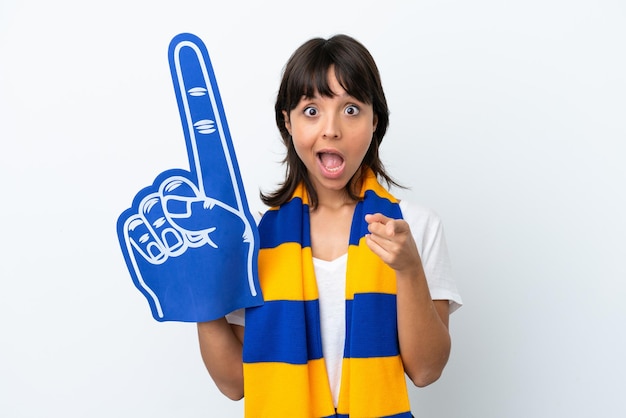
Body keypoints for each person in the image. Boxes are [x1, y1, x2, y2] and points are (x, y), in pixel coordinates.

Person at [196, 34, 462, 417]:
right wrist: (199, 296)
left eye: (351, 109)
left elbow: (426, 370)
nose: (331, 129)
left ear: (375, 121)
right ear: (287, 122)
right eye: (310, 110)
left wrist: (408, 270)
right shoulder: (252, 240)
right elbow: (235, 384)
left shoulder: (415, 227)